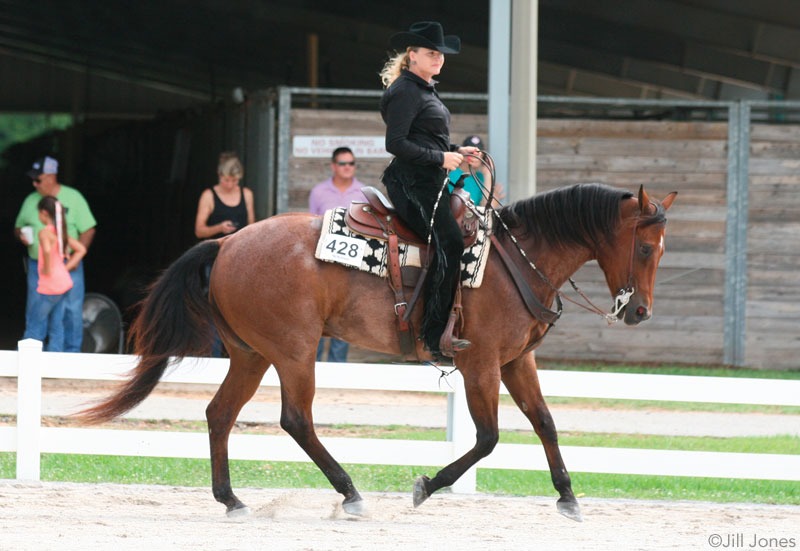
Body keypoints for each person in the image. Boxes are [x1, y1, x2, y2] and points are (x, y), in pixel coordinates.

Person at [379, 21, 478, 362]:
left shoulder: (423, 89)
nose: (438, 59)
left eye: (441, 55)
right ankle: (434, 336)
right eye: (431, 53)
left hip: (428, 180)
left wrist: (455, 151)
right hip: (412, 182)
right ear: (413, 55)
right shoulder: (406, 91)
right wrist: (442, 156)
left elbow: (424, 138)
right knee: (449, 241)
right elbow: (396, 144)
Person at [14, 156, 97, 352]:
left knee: (67, 311)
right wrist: (22, 236)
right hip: (39, 266)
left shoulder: (73, 198)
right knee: (46, 313)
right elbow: (18, 227)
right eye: (33, 180)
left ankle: (68, 354)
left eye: (38, 179)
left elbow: (89, 229)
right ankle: (41, 355)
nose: (34, 184)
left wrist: (70, 262)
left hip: (61, 268)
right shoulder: (30, 200)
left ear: (51, 177)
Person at [194, 152, 255, 357]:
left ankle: (241, 355)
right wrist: (219, 227)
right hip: (215, 257)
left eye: (235, 180)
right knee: (215, 308)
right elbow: (199, 230)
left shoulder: (246, 194)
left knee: (245, 306)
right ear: (219, 175)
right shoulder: (209, 195)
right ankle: (213, 354)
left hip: (241, 258)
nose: (231, 184)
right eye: (227, 180)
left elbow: (253, 226)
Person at [309, 146, 366, 362]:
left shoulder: (363, 192)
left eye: (351, 163)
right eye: (343, 163)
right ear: (334, 166)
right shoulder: (318, 191)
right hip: (322, 263)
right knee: (317, 312)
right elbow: (311, 224)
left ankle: (337, 369)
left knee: (343, 314)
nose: (348, 167)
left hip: (350, 264)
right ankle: (311, 366)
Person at [22, 197, 87, 350]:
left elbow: (45, 249)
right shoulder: (60, 234)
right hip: (63, 284)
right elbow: (81, 250)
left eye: (39, 213)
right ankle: (55, 356)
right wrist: (65, 268)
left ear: (44, 213)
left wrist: (47, 268)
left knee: (35, 321)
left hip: (50, 285)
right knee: (57, 322)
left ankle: (28, 356)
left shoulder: (44, 233)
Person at [448, 135, 506, 207]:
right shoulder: (451, 172)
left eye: (479, 154)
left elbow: (490, 207)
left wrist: (488, 173)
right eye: (472, 153)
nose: (475, 156)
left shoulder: (482, 178)